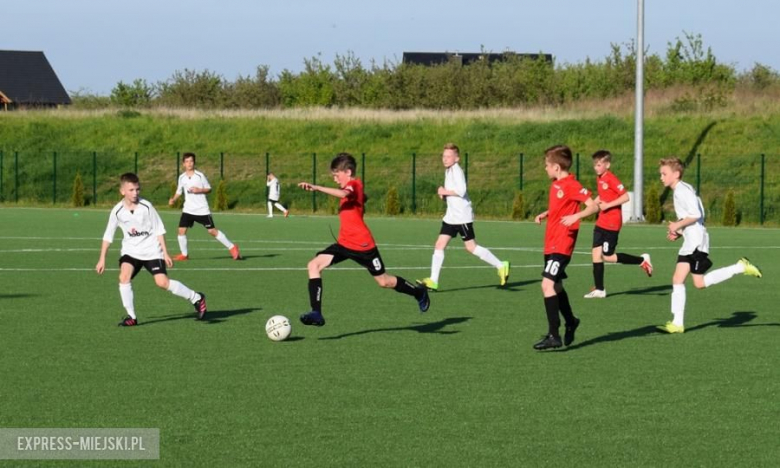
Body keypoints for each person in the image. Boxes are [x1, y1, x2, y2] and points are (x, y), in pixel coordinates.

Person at [297, 153, 430, 327]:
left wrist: (317, 187)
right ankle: (316, 313)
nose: (335, 179)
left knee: (384, 281)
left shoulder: (354, 184)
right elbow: (357, 197)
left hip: (364, 247)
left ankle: (418, 293)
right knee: (313, 265)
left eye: (337, 175)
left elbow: (344, 192)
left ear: (348, 172)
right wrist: (362, 200)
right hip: (344, 244)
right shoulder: (355, 189)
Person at [657, 157, 762, 334]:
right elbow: (691, 217)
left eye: (664, 174)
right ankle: (677, 323)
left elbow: (696, 214)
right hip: (690, 240)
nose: (661, 177)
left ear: (676, 174)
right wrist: (678, 232)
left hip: (697, 241)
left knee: (699, 283)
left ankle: (740, 267)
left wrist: (677, 225)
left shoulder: (682, 191)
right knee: (678, 279)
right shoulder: (680, 190)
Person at [96, 173, 207, 326]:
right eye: (131, 190)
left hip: (152, 251)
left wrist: (166, 253)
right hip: (131, 251)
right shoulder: (117, 211)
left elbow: (159, 230)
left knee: (162, 283)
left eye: (137, 189)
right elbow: (108, 235)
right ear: (122, 191)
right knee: (124, 277)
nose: (135, 193)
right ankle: (131, 317)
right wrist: (102, 258)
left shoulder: (146, 207)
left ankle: (196, 298)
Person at [416, 143, 510, 291]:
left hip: (462, 217)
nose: (445, 159)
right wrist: (445, 196)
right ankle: (433, 280)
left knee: (471, 247)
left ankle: (500, 265)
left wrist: (444, 191)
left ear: (457, 158)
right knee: (439, 244)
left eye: (449, 156)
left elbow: (461, 190)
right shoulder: (448, 170)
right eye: (444, 156)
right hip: (451, 217)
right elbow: (455, 194)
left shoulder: (457, 171)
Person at [533, 145, 599, 350]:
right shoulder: (556, 185)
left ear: (556, 166)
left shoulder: (570, 184)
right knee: (557, 286)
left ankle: (554, 334)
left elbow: (593, 205)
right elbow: (560, 206)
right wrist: (547, 213)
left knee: (546, 285)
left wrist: (576, 216)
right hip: (550, 243)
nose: (545, 169)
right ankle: (571, 321)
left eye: (546, 165)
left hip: (562, 245)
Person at [584, 150, 653, 298]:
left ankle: (642, 260)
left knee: (607, 256)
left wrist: (608, 205)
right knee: (596, 253)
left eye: (599, 164)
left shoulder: (611, 179)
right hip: (601, 222)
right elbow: (602, 196)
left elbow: (625, 197)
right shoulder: (599, 178)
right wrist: (591, 205)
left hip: (612, 224)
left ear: (607, 165)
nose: (596, 167)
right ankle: (600, 289)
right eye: (594, 165)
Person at [168, 152, 240, 260]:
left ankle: (232, 247)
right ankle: (184, 254)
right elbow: (179, 191)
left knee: (212, 231)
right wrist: (173, 199)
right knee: (181, 231)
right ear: (183, 164)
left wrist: (199, 190)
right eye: (187, 161)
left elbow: (209, 189)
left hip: (202, 210)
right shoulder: (181, 177)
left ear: (194, 162)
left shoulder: (199, 176)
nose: (189, 163)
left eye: (191, 161)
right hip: (188, 209)